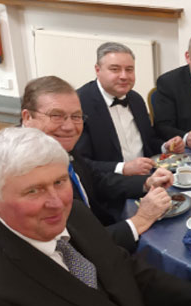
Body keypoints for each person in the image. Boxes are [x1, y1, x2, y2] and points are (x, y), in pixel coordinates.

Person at [0, 127, 191, 306]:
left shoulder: (76, 213)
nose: (56, 202)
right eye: (33, 191)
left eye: (59, 182)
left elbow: (124, 270)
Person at [21, 76, 174, 252]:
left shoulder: (55, 145)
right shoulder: (25, 173)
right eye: (57, 116)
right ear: (27, 117)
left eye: (76, 116)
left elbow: (95, 180)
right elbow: (73, 249)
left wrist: (146, 183)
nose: (70, 126)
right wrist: (140, 221)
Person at [75, 42, 185, 176]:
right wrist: (123, 168)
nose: (124, 76)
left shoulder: (135, 99)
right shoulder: (79, 104)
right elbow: (80, 163)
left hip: (148, 174)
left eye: (129, 69)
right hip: (110, 184)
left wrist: (165, 147)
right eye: (115, 69)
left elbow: (148, 141)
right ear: (98, 70)